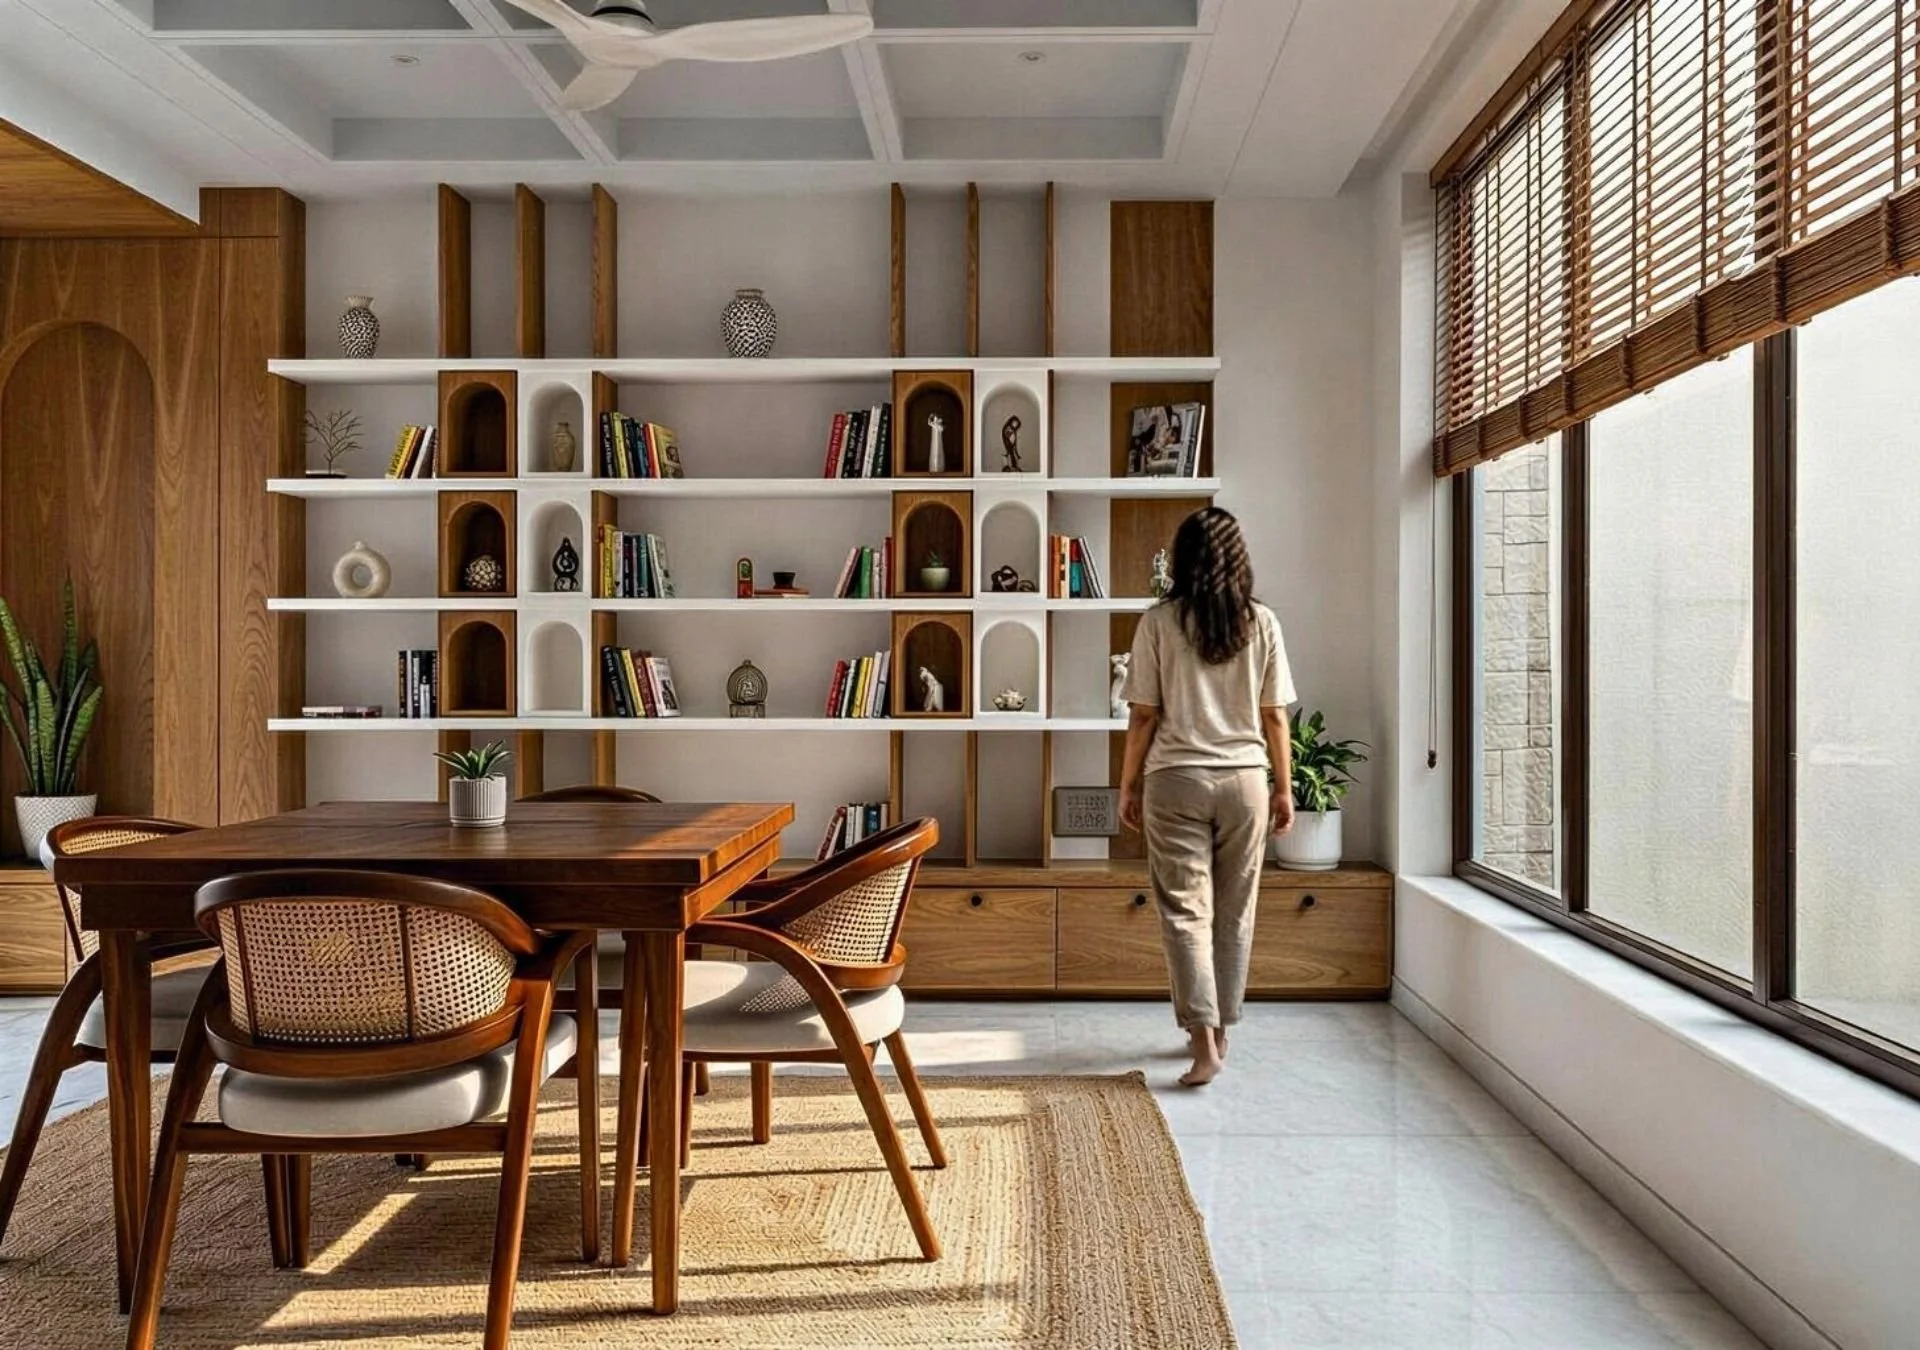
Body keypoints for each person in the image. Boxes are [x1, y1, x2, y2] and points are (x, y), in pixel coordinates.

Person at [1118, 506, 1296, 1086]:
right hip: (1245, 781)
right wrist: (1284, 788)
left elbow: (1143, 716)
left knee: (1185, 911)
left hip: (1176, 780)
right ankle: (1220, 1032)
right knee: (1234, 910)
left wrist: (1127, 784)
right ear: (1237, 557)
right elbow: (1275, 718)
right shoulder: (1261, 622)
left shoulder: (1159, 622)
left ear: (1185, 558)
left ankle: (1203, 1043)